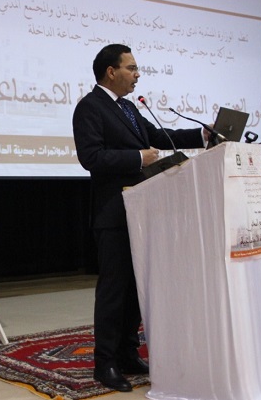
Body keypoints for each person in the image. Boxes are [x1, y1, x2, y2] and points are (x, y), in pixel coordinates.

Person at [72, 44, 210, 392]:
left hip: (143, 212)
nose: (137, 75)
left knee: (137, 288)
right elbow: (91, 158)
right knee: (114, 290)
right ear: (111, 72)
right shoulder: (90, 107)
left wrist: (202, 135)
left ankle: (127, 352)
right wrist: (137, 157)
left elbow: (160, 137)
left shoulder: (129, 107)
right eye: (131, 68)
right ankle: (105, 363)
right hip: (114, 213)